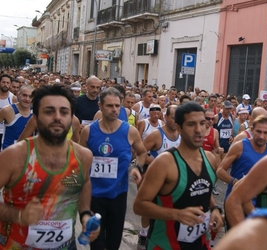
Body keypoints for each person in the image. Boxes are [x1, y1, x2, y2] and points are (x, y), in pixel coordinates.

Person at [0, 85, 98, 249]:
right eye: (49, 111)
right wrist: (18, 215)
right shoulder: (14, 156)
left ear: (71, 118)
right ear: (36, 119)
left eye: (64, 112)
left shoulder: (83, 156)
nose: (57, 117)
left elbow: (84, 183)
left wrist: (86, 215)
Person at [133, 102, 224, 250]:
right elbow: (139, 206)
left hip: (200, 243)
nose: (199, 130)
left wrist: (215, 210)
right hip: (166, 245)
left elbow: (204, 191)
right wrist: (176, 214)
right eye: (191, 124)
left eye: (202, 123)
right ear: (179, 128)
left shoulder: (210, 158)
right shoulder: (165, 162)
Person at [79, 87, 148, 250]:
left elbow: (142, 152)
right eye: (109, 106)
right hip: (94, 194)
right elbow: (80, 159)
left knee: (113, 243)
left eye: (117, 106)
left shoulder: (130, 131)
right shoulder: (88, 132)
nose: (114, 109)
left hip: (118, 194)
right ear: (100, 106)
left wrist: (137, 167)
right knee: (96, 243)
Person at [217, 115, 267, 229]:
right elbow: (220, 171)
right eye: (258, 131)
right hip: (235, 203)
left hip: (257, 206)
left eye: (266, 133)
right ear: (251, 130)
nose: (262, 136)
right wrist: (235, 182)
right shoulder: (240, 146)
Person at [138, 105, 181, 249]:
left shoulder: (182, 135)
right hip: (154, 180)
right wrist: (159, 164)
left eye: (178, 118)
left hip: (173, 181)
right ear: (166, 117)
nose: (176, 121)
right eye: (173, 117)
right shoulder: (157, 135)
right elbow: (141, 152)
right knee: (150, 209)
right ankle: (144, 235)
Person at [0, 85, 34, 150]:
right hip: (8, 152)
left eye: (30, 96)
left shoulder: (35, 112)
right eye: (24, 95)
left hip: (28, 154)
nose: (27, 99)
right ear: (18, 95)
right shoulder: (7, 110)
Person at [0, 74, 18, 150]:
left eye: (7, 83)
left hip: (6, 132)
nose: (5, 85)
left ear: (10, 85)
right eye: (3, 82)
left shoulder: (13, 98)